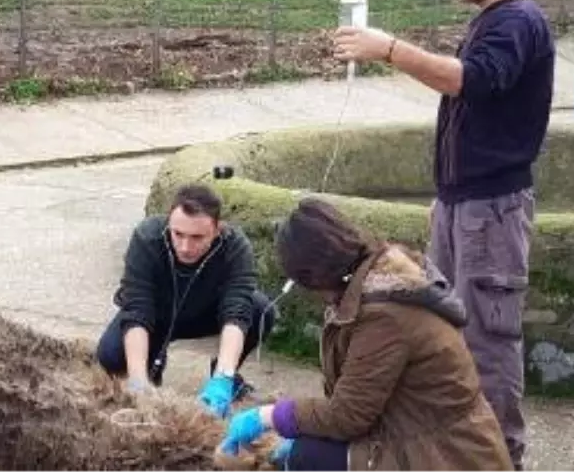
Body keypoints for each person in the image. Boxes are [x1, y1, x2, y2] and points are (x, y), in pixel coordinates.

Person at [330, 0, 554, 470]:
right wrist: (448, 192)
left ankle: (503, 457)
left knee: (487, 338)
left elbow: (467, 80)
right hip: (463, 203)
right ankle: (465, 452)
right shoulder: (489, 18)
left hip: (491, 210)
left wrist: (388, 49)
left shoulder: (516, 22)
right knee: (453, 333)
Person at [216, 197, 514, 471]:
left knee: (306, 457)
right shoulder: (377, 280)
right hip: (435, 438)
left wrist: (268, 416)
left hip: (446, 456)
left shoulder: (385, 316)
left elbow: (347, 416)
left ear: (311, 275)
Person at [95, 183, 275, 417]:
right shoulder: (146, 237)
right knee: (110, 356)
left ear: (218, 229)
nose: (185, 247)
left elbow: (236, 312)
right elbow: (136, 309)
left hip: (206, 313)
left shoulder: (236, 247)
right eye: (178, 234)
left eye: (197, 237)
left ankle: (223, 373)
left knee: (260, 310)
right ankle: (152, 365)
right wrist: (138, 380)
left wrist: (224, 375)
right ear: (168, 222)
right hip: (156, 314)